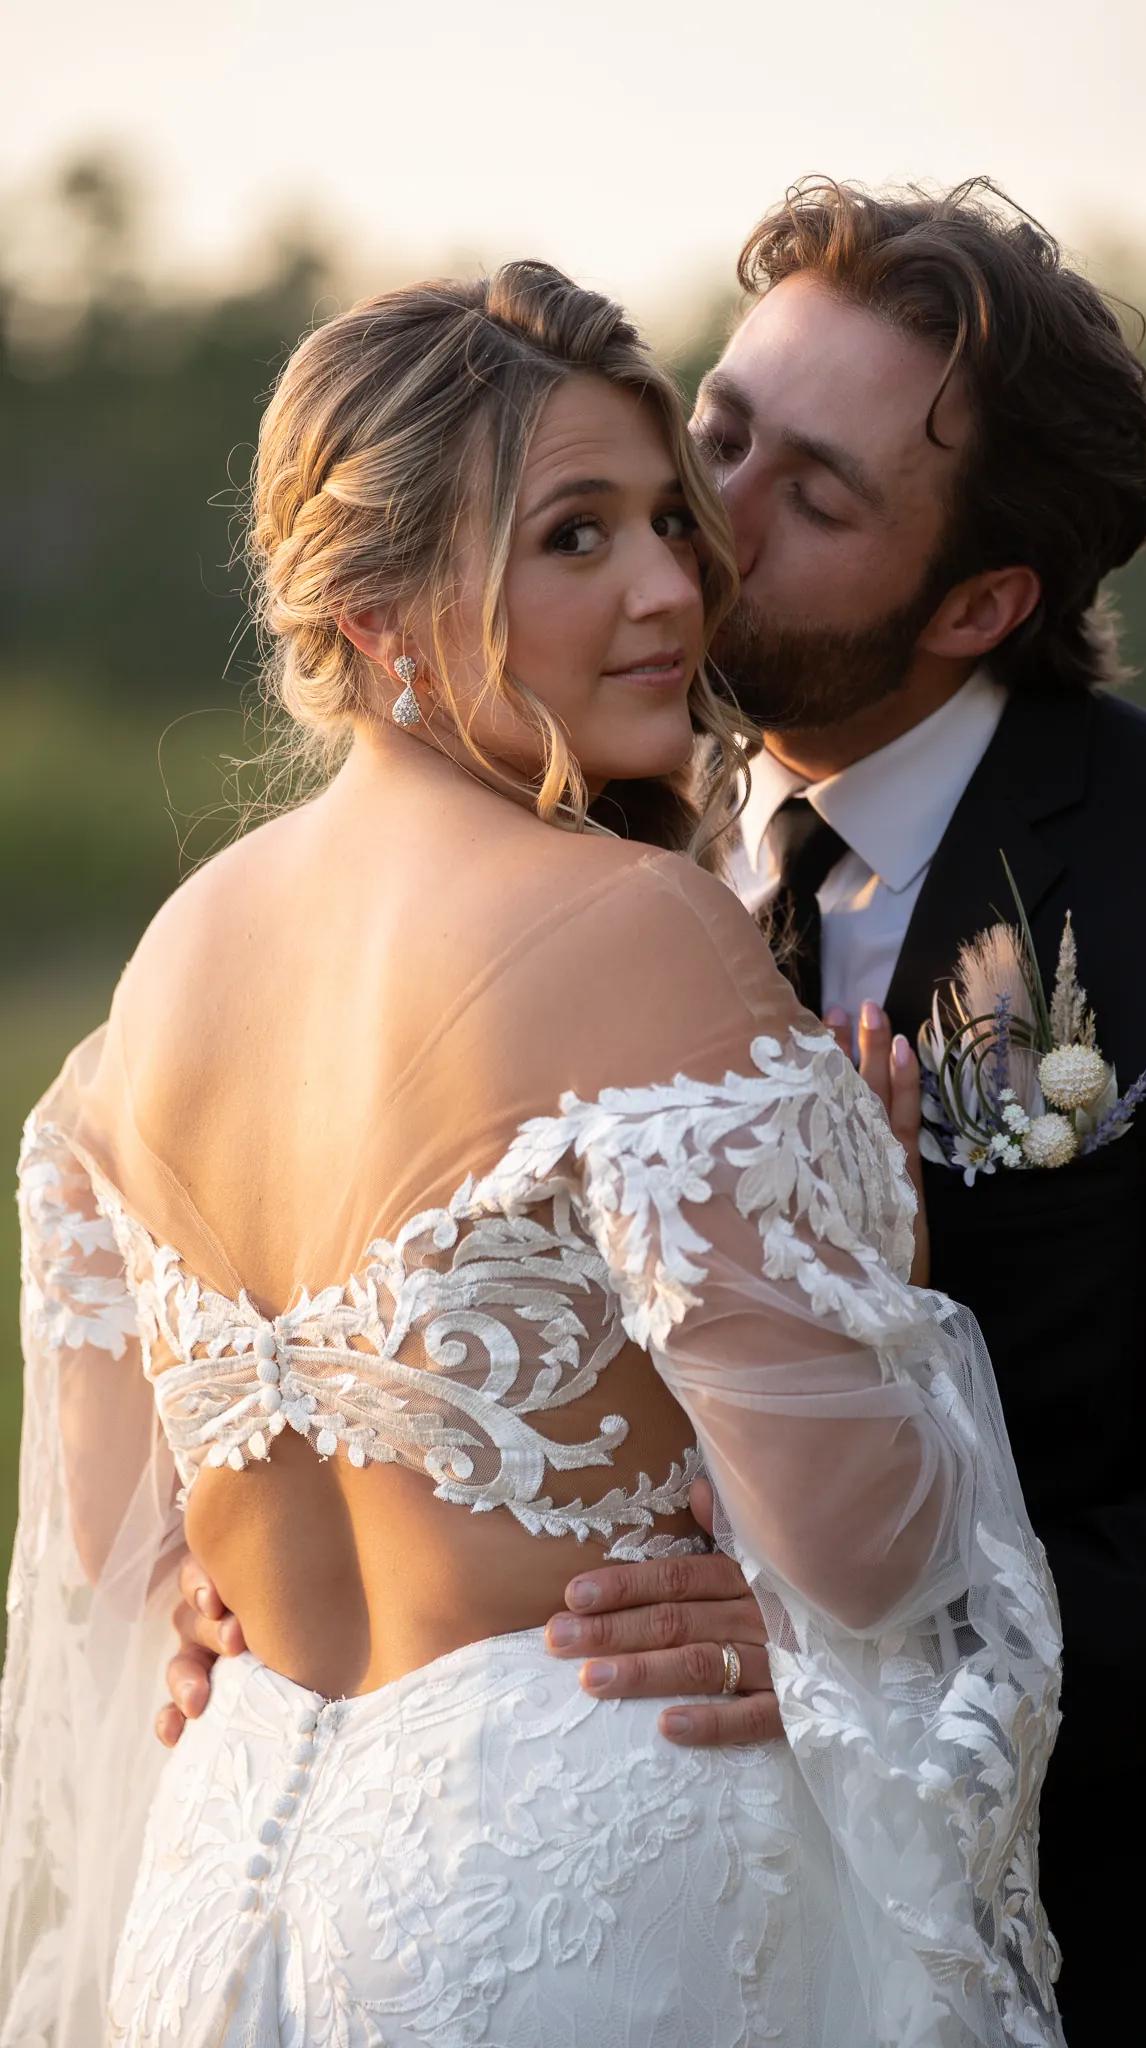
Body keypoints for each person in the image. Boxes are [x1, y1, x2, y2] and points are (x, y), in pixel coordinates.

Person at [160, 176, 1146, 2040]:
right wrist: (241, 1575)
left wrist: (870, 1657)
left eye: (813, 496)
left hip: (1120, 1944)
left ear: (979, 599)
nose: (701, 527)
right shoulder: (559, 838)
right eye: (715, 432)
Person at [0, 261, 1063, 2045]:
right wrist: (876, 1251)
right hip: (562, 1908)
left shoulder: (158, 976)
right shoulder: (645, 932)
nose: (673, 589)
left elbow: (116, 1566)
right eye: (576, 538)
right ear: (377, 608)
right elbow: (871, 1557)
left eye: (667, 516)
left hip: (211, 1906)